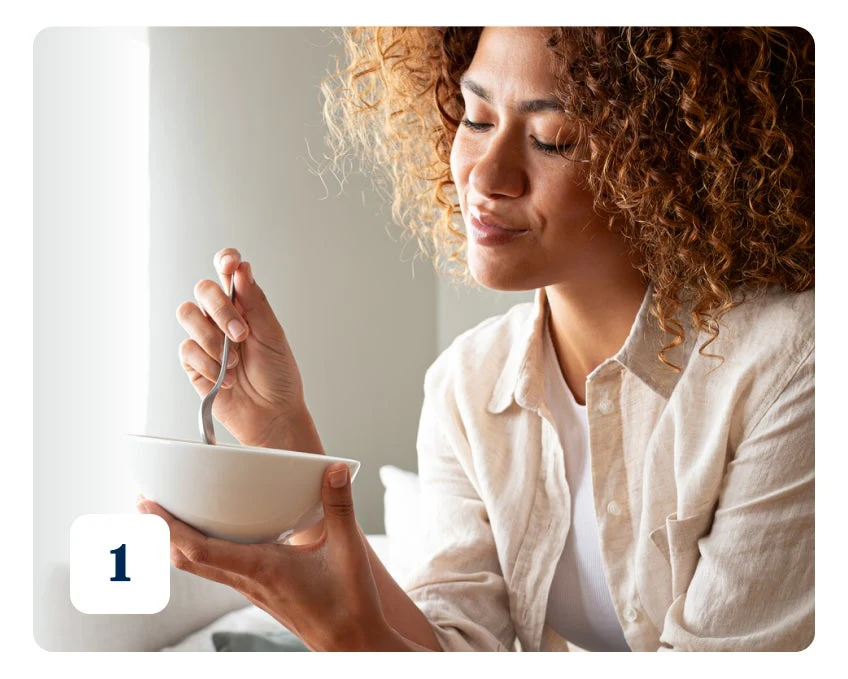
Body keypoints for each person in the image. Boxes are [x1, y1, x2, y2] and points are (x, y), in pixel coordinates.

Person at [137, 27, 814, 651]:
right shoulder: (468, 384)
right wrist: (285, 435)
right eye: (476, 117)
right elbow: (451, 646)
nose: (486, 179)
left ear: (670, 161)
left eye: (553, 137)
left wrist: (341, 637)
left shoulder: (791, 366)